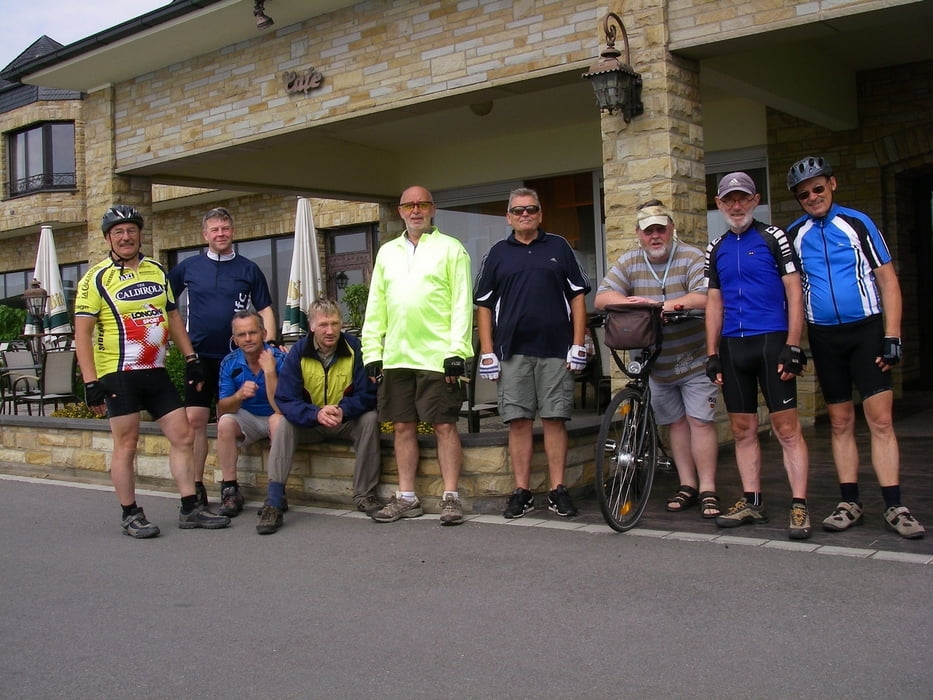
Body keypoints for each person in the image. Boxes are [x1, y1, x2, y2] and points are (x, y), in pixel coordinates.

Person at [786, 156, 924, 539]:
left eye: (817, 188)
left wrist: (892, 335)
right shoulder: (795, 233)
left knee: (880, 420)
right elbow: (792, 293)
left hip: (866, 332)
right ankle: (850, 502)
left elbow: (888, 281)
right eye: (804, 194)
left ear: (832, 184)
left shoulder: (858, 223)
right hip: (825, 337)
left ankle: (895, 505)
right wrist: (793, 343)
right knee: (841, 422)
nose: (812, 197)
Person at [74, 205, 230, 537]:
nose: (126, 236)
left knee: (184, 436)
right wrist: (90, 381)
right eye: (118, 232)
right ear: (108, 239)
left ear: (140, 234)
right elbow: (82, 334)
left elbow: (173, 318)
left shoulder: (158, 271)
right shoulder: (95, 278)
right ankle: (130, 513)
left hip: (155, 369)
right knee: (127, 443)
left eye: (131, 230)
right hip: (118, 372)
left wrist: (191, 359)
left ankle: (190, 508)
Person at [594, 200, 721, 518]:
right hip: (656, 362)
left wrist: (658, 304)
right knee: (675, 424)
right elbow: (602, 298)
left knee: (700, 422)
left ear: (671, 229)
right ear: (638, 233)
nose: (655, 236)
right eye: (648, 230)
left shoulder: (691, 256)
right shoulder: (630, 261)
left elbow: (704, 296)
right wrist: (629, 302)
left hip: (693, 358)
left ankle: (708, 489)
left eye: (660, 229)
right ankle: (687, 485)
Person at [705, 172, 812, 540]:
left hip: (771, 342)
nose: (736, 206)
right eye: (728, 200)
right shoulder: (715, 247)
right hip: (733, 347)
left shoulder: (773, 237)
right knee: (741, 429)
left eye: (743, 198)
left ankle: (799, 506)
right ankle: (752, 501)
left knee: (786, 429)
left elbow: (795, 292)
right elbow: (714, 303)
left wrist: (793, 344)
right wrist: (711, 353)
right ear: (718, 204)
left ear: (755, 200)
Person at [474, 187, 591, 519]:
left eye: (531, 209)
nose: (525, 214)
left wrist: (578, 343)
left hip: (556, 351)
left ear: (540, 214)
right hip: (512, 353)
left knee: (555, 420)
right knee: (519, 422)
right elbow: (483, 304)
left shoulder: (559, 247)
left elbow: (578, 296)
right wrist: (486, 351)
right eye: (518, 210)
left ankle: (557, 490)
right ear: (508, 217)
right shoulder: (497, 253)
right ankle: (521, 491)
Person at [361, 185, 473, 526]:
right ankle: (407, 497)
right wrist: (372, 351)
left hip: (439, 358)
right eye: (409, 205)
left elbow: (461, 304)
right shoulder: (387, 253)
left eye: (422, 204)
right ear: (400, 211)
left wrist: (457, 352)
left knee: (444, 425)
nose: (416, 210)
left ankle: (451, 497)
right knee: (402, 428)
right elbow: (376, 306)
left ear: (433, 209)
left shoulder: (452, 249)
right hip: (396, 357)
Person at [168, 207, 276, 508]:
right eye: (214, 229)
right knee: (196, 421)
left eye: (225, 229)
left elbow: (265, 308)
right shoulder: (188, 268)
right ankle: (197, 486)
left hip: (237, 359)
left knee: (230, 417)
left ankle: (231, 487)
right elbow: (166, 304)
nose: (220, 234)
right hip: (199, 358)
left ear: (233, 232)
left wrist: (270, 343)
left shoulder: (248, 269)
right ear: (205, 235)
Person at [256, 298, 381, 534]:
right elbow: (286, 399)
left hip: (344, 420)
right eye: (323, 325)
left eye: (335, 323)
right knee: (282, 423)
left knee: (370, 419)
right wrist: (316, 413)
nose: (330, 330)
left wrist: (343, 410)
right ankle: (273, 502)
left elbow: (368, 394)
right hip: (310, 424)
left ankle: (365, 494)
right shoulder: (298, 353)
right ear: (312, 326)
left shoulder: (356, 349)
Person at [215, 310, 287, 517]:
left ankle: (276, 492)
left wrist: (270, 372)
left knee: (278, 421)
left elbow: (281, 407)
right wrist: (238, 396)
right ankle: (230, 490)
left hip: (276, 415)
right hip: (249, 417)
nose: (247, 339)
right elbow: (223, 408)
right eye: (241, 334)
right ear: (234, 339)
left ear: (264, 333)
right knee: (225, 423)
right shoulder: (229, 363)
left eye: (252, 333)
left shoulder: (281, 359)